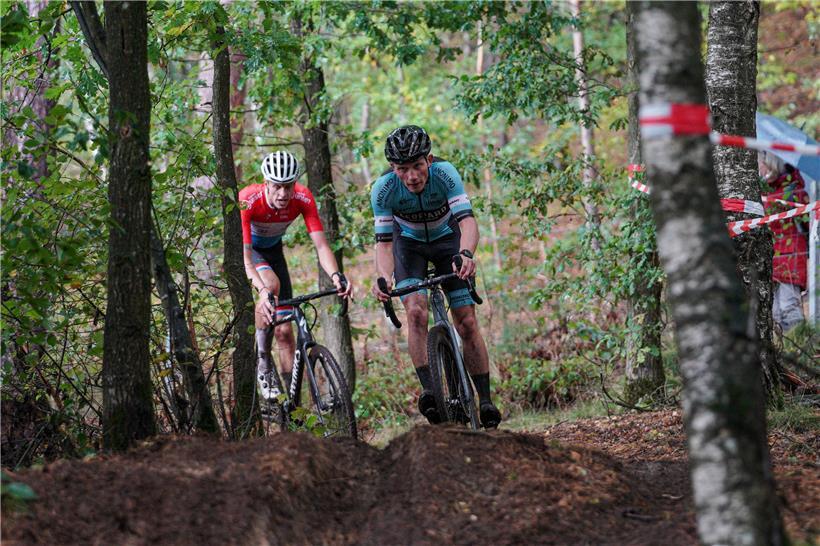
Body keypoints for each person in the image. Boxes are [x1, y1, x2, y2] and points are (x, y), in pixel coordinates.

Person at [370, 125, 501, 429]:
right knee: (415, 311)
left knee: (466, 320)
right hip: (409, 247)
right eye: (403, 169)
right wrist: (383, 277)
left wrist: (466, 254)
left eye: (417, 166)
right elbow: (384, 243)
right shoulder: (384, 189)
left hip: (447, 242)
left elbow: (468, 222)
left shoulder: (445, 174)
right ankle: (431, 390)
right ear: (393, 168)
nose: (412, 176)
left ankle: (484, 400)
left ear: (428, 160)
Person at [240, 151, 352, 401]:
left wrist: (336, 275)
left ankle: (292, 404)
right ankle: (263, 361)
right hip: (251, 252)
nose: (283, 194)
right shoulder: (248, 200)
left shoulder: (302, 197)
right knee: (270, 285)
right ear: (266, 183)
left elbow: (322, 246)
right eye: (277, 187)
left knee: (285, 332)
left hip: (274, 252)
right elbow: (246, 260)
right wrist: (261, 292)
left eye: (288, 186)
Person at [759, 151, 810, 332]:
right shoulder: (763, 191)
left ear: (770, 163)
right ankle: (785, 355)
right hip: (772, 255)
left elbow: (807, 223)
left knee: (789, 307)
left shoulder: (794, 189)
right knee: (775, 312)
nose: (758, 167)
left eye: (760, 163)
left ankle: (800, 348)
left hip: (791, 255)